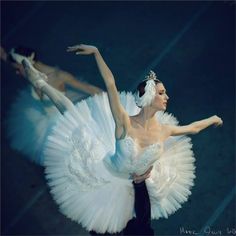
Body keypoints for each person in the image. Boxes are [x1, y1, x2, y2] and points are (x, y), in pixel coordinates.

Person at [21, 44, 222, 235]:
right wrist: (96, 53)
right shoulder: (124, 122)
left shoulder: (165, 130)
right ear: (149, 97)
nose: (167, 96)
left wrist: (213, 119)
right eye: (162, 93)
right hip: (106, 178)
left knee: (142, 230)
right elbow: (110, 83)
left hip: (137, 187)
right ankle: (40, 83)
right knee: (75, 120)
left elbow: (193, 128)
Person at [1, 45, 103, 165]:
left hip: (64, 121)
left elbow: (89, 88)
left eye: (18, 69)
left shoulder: (58, 76)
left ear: (25, 64)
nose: (17, 73)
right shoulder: (30, 73)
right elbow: (9, 59)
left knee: (83, 152)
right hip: (45, 116)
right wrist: (3, 55)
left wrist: (115, 99)